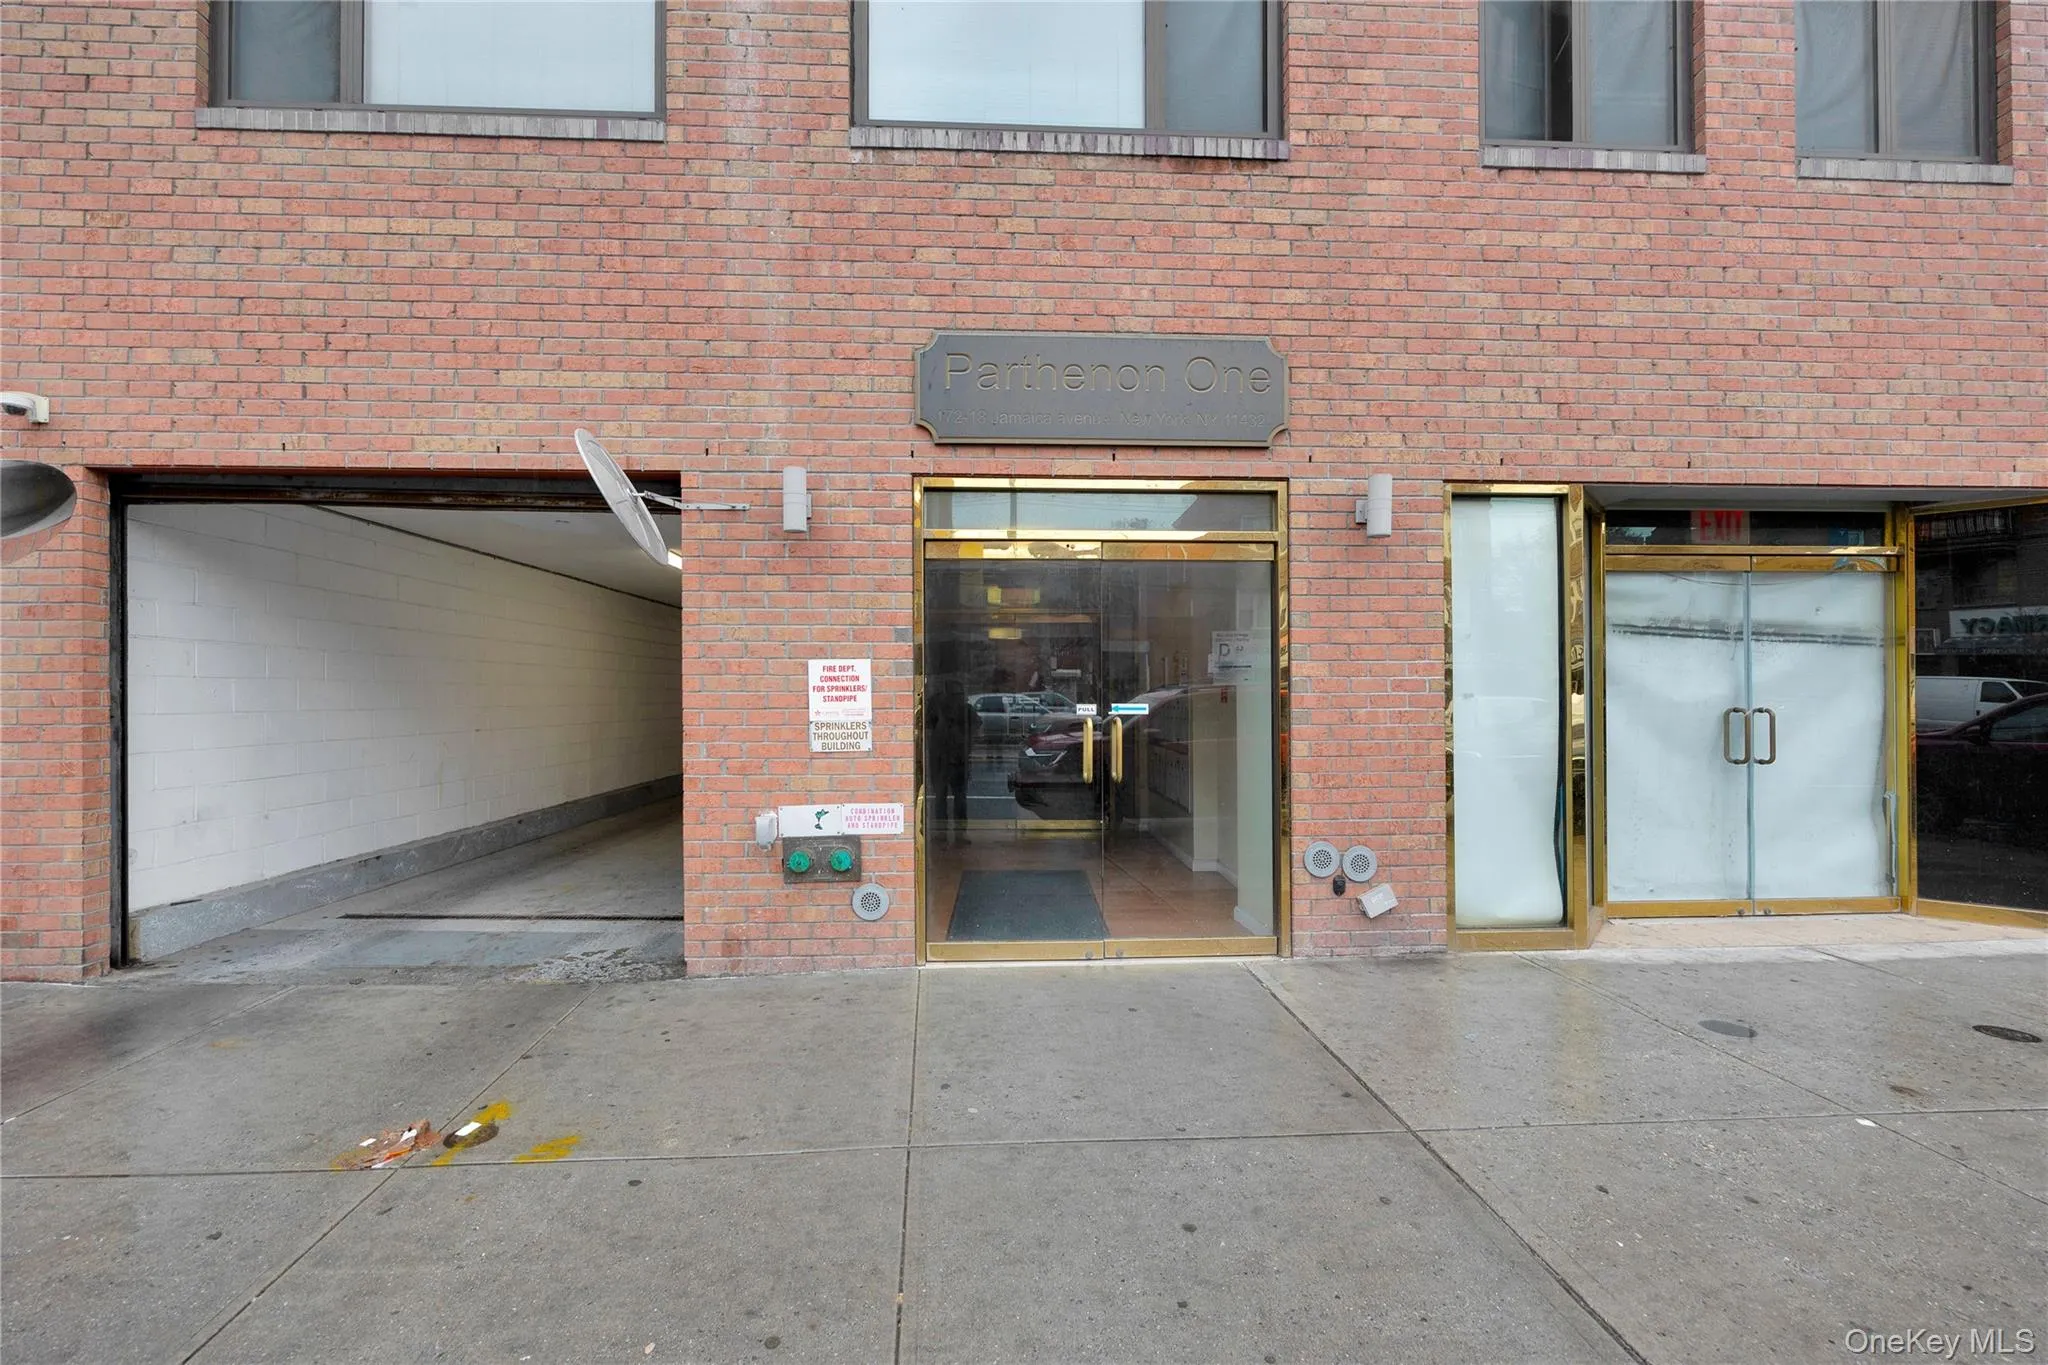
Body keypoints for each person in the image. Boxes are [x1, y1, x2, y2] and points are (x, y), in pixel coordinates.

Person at [927, 677, 972, 846]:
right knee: (948, 797)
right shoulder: (955, 710)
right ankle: (948, 834)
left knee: (952, 797)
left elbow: (975, 729)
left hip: (952, 759)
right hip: (946, 759)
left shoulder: (961, 710)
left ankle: (949, 834)